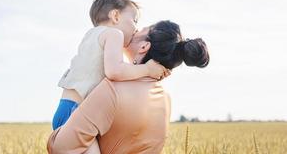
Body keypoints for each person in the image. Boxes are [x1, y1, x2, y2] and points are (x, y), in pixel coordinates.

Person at [47, 20, 210, 154]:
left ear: (144, 47)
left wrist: (56, 135)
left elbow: (63, 147)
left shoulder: (112, 89)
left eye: (140, 29)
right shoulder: (165, 100)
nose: (134, 31)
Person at [52, 0, 169, 130]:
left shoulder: (91, 35)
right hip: (75, 113)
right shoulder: (114, 34)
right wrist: (147, 70)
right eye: (134, 20)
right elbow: (115, 71)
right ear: (115, 16)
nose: (136, 28)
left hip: (65, 107)